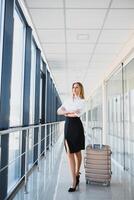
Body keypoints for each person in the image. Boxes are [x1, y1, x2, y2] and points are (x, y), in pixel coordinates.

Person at [57, 82, 85, 192]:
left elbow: (77, 114)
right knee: (69, 153)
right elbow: (59, 111)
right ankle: (74, 181)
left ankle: (77, 173)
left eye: (77, 87)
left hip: (76, 126)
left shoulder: (82, 101)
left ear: (80, 89)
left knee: (77, 152)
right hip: (68, 127)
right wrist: (69, 112)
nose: (74, 89)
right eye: (73, 87)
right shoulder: (68, 101)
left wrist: (67, 113)